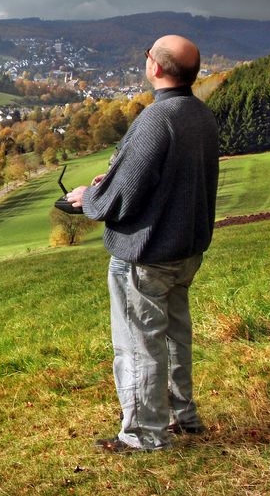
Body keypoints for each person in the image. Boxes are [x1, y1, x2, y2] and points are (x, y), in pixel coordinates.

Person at [66, 35, 219, 454]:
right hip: (185, 249)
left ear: (155, 67)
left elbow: (122, 197)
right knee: (173, 337)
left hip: (146, 253)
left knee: (138, 344)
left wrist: (90, 197)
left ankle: (144, 435)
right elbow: (169, 177)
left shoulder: (157, 118)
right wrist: (112, 181)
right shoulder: (200, 114)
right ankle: (181, 417)